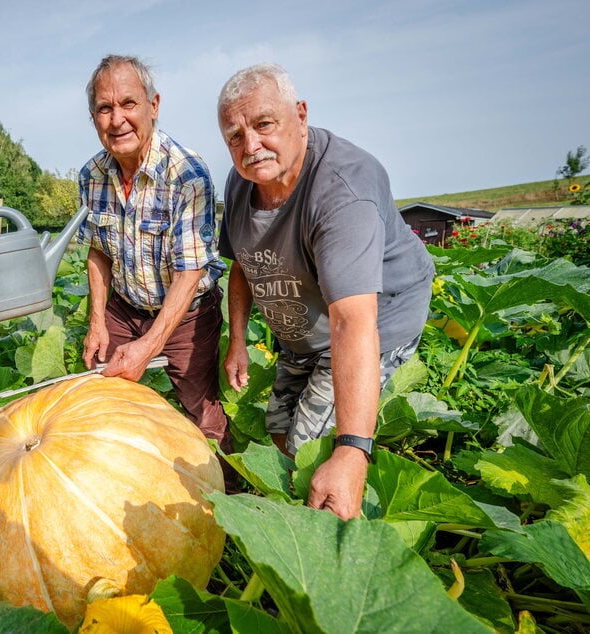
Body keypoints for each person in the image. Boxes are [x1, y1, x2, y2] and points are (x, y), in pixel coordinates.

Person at [216, 63, 434, 520]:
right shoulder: (242, 182)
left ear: (300, 115)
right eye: (235, 135)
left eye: (263, 124)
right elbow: (240, 264)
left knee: (310, 449)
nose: (250, 146)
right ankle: (289, 506)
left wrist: (353, 450)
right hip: (304, 324)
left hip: (373, 318)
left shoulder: (342, 189)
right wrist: (237, 340)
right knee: (277, 430)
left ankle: (322, 529)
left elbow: (353, 320)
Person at [76, 55, 231, 454]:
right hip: (125, 308)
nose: (117, 119)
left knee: (200, 409)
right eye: (105, 108)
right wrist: (97, 321)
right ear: (94, 117)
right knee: (101, 394)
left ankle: (229, 494)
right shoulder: (91, 175)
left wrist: (151, 345)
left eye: (128, 104)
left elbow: (190, 272)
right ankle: (118, 471)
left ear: (153, 106)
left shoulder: (187, 174)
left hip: (187, 311)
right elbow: (98, 250)